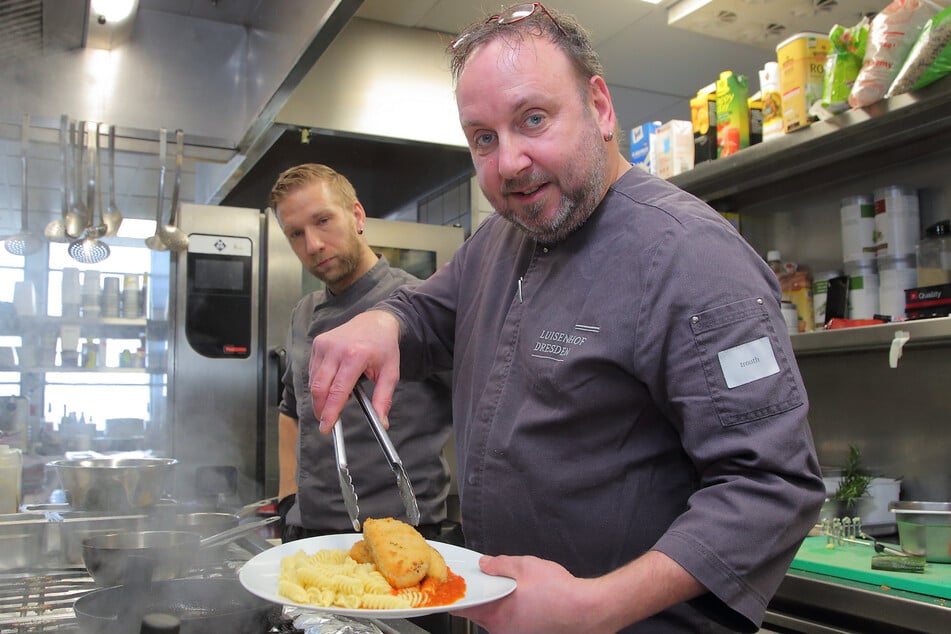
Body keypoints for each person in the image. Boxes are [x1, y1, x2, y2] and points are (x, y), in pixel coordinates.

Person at [307, 5, 826, 633]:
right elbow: (426, 312)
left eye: (533, 119)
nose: (509, 163)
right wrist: (382, 321)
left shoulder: (692, 259)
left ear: (600, 108)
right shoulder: (497, 241)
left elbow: (772, 484)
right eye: (483, 138)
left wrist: (595, 606)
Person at [269, 163, 453, 544]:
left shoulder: (420, 307)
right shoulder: (304, 313)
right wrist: (289, 496)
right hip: (310, 534)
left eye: (323, 220)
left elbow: (486, 411)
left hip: (404, 536)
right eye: (296, 234)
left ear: (356, 215)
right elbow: (290, 408)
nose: (313, 244)